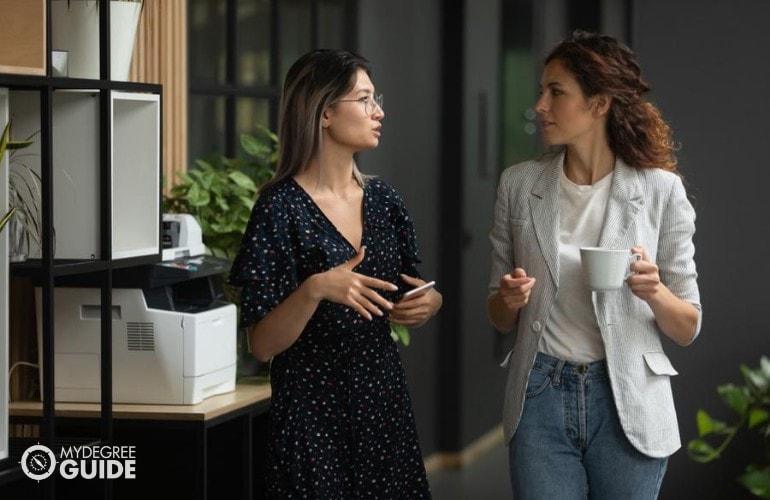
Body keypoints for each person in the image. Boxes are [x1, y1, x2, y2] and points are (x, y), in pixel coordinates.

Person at [487, 30, 701, 499]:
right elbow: (498, 315)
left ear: (600, 103)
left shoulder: (661, 191)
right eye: (542, 91)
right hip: (540, 392)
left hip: (629, 400)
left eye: (556, 92)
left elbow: (687, 326)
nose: (541, 104)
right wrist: (507, 299)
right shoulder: (519, 185)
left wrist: (655, 292)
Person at [228, 49, 441, 498]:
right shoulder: (279, 208)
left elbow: (412, 287)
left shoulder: (385, 200)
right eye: (364, 99)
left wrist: (428, 302)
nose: (378, 111)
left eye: (375, 99)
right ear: (324, 113)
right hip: (310, 416)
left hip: (383, 407)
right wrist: (316, 289)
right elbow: (262, 345)